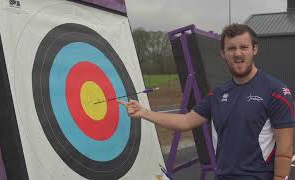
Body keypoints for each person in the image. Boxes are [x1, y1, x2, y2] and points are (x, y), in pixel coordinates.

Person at [118, 23, 295, 180]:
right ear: (223, 53)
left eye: (244, 47)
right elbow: (186, 121)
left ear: (254, 49)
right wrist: (145, 113)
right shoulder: (218, 94)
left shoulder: (276, 91)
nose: (238, 53)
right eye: (231, 48)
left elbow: (285, 149)